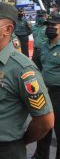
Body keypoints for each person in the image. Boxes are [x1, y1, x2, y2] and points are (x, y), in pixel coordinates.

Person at [0, 1, 54, 159]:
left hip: (4, 152)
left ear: (8, 29)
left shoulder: (23, 69)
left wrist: (19, 143)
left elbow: (45, 122)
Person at [32, 14, 60, 159]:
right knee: (43, 126)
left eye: (53, 26)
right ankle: (41, 156)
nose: (50, 28)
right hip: (45, 92)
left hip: (58, 93)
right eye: (48, 26)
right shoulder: (44, 47)